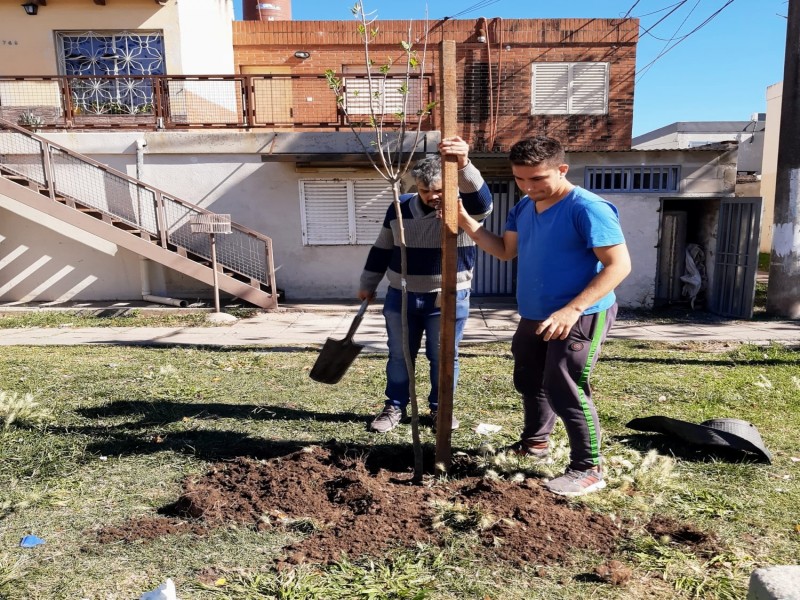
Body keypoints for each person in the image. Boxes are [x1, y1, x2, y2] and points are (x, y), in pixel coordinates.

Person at [457, 136, 631, 496]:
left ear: (562, 169)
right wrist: (464, 221)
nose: (528, 186)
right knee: (530, 379)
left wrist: (573, 308)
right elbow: (505, 251)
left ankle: (589, 468)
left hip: (580, 314)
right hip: (535, 314)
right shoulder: (523, 207)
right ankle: (536, 443)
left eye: (537, 179)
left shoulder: (587, 208)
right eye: (520, 178)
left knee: (565, 385)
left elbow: (619, 265)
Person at [359, 136, 493, 433]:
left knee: (443, 356)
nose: (432, 196)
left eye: (439, 190)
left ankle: (440, 409)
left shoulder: (464, 208)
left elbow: (484, 203)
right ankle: (394, 406)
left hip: (448, 297)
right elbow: (382, 247)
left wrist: (465, 164)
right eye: (424, 190)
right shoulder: (399, 207)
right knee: (399, 354)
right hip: (402, 296)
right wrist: (368, 283)